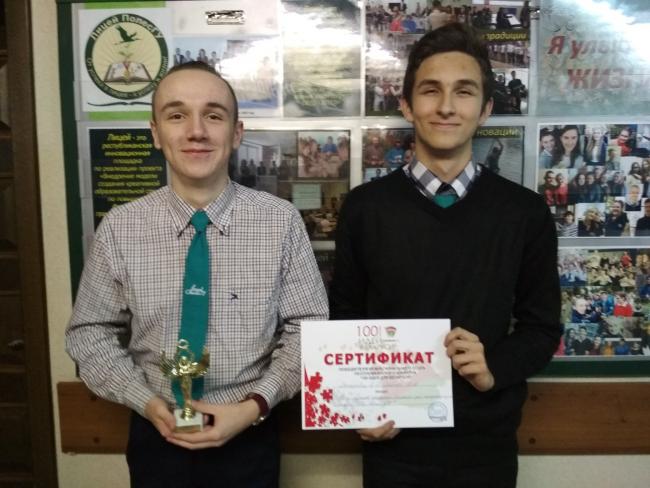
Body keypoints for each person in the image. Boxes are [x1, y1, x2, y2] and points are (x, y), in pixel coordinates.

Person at [66, 62, 328, 487]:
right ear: (155, 133)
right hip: (155, 435)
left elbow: (308, 329)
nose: (196, 131)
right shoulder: (120, 227)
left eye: (213, 115)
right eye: (177, 115)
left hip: (250, 435)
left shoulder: (281, 222)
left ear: (236, 133)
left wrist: (255, 406)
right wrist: (146, 402)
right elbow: (89, 333)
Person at [330, 23, 561, 488]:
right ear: (406, 104)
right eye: (431, 90)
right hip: (392, 447)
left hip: (486, 450)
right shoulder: (364, 208)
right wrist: (358, 405)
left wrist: (494, 366)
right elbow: (345, 319)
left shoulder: (524, 212)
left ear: (486, 108)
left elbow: (542, 328)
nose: (447, 106)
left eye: (464, 91)